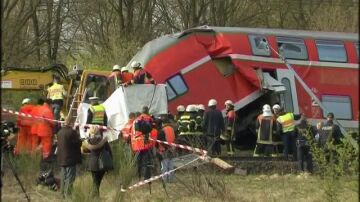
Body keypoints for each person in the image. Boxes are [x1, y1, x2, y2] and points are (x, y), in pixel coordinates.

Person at [82, 125, 113, 197]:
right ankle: (95, 196)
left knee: (95, 181)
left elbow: (84, 151)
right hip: (102, 163)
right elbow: (109, 152)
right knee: (98, 182)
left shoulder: (88, 141)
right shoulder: (103, 140)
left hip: (92, 164)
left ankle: (94, 196)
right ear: (99, 131)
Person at [56, 117, 82, 199]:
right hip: (70, 158)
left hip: (62, 158)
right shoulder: (72, 132)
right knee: (70, 178)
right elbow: (77, 144)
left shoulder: (59, 132)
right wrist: (80, 139)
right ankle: (68, 194)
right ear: (70, 123)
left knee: (63, 177)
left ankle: (62, 194)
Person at [131, 106, 155, 180]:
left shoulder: (135, 120)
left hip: (135, 144)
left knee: (138, 162)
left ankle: (138, 177)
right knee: (146, 162)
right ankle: (146, 178)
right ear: (147, 111)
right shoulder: (148, 118)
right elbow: (151, 129)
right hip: (144, 143)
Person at [156, 117, 176, 183]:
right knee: (171, 165)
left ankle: (165, 180)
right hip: (172, 149)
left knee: (164, 166)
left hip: (164, 150)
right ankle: (171, 180)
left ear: (163, 123)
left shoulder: (162, 130)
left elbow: (160, 141)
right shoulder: (172, 129)